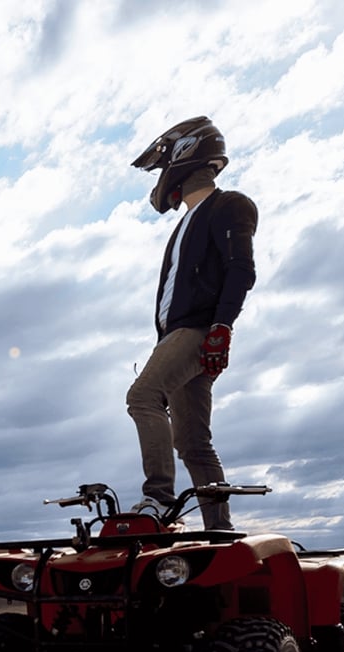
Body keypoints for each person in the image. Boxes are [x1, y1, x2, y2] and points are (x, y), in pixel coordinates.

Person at [127, 116, 257, 531]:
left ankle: (158, 500)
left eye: (165, 166)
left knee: (144, 396)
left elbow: (241, 270)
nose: (162, 178)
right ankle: (219, 530)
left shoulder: (229, 204)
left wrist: (222, 327)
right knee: (193, 443)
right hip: (179, 335)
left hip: (196, 329)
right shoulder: (185, 223)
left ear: (185, 157)